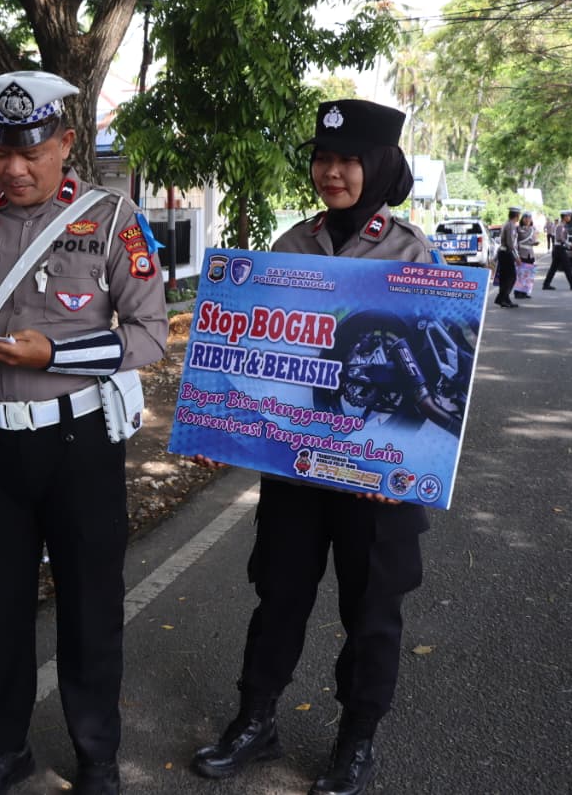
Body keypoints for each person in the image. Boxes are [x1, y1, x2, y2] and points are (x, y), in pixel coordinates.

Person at [0, 71, 168, 795]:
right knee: (1, 605)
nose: (14, 168)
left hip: (79, 443)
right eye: (0, 151)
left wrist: (54, 354)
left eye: (31, 152)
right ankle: (5, 749)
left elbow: (150, 335)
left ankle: (97, 757)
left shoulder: (112, 218)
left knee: (90, 606)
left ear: (66, 142)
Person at [191, 99, 430, 795]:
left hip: (374, 480)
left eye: (348, 160)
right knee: (279, 597)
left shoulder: (412, 253)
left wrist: (406, 466)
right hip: (295, 472)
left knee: (372, 613)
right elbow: (259, 354)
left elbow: (433, 372)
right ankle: (255, 720)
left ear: (379, 165)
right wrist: (220, 425)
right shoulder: (291, 244)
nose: (332, 172)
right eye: (323, 159)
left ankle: (356, 739)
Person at [541, 209, 572, 290]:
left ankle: (546, 284)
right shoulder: (560, 226)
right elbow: (559, 238)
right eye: (569, 216)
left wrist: (569, 244)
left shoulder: (562, 225)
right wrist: (569, 244)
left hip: (558, 249)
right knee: (567, 266)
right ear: (565, 217)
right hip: (559, 249)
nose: (570, 217)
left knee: (554, 268)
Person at [494, 206, 522, 308]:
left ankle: (504, 299)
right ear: (517, 215)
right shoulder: (510, 225)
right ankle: (502, 298)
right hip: (506, 253)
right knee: (511, 277)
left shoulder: (508, 224)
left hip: (504, 253)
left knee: (505, 278)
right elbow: (510, 244)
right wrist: (517, 257)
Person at [512, 211, 539, 300]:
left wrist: (535, 243)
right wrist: (516, 255)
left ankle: (525, 292)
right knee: (520, 274)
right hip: (521, 254)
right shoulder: (518, 228)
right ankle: (517, 292)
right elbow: (514, 242)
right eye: (525, 218)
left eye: (529, 218)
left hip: (530, 254)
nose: (527, 220)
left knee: (528, 274)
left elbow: (533, 240)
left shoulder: (533, 229)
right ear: (522, 219)